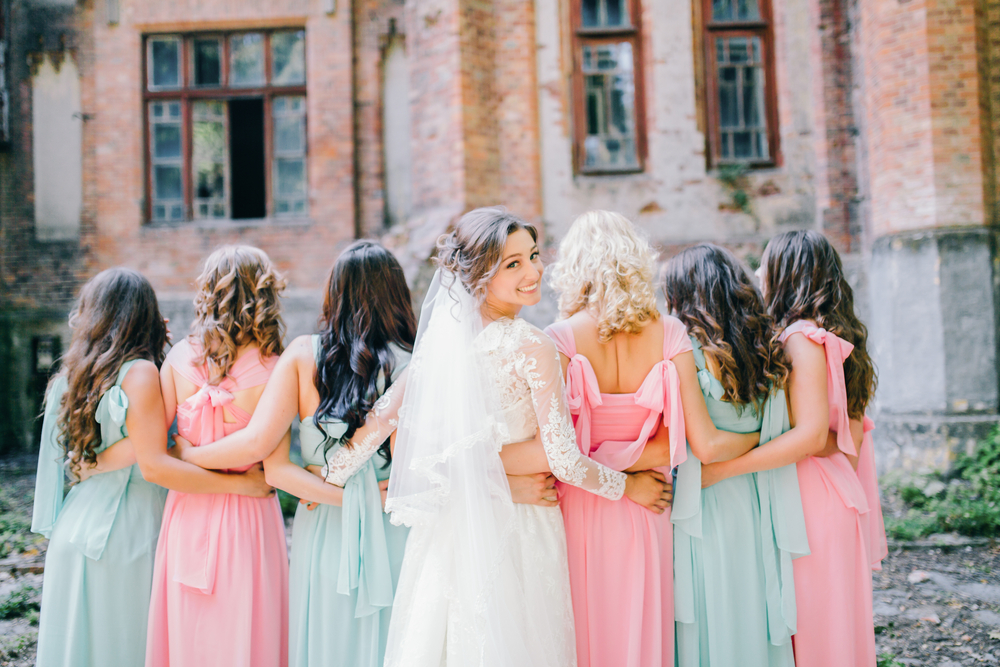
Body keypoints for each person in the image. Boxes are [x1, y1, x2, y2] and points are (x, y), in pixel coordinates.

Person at [318, 206, 668, 667]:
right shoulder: (533, 346)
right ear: (480, 274)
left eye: (534, 255)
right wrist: (631, 486)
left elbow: (382, 422)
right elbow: (562, 459)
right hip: (518, 528)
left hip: (452, 528)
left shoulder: (439, 350)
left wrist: (329, 474)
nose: (534, 271)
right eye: (513, 263)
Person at [173, 240, 416, 667]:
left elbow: (274, 466)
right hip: (396, 518)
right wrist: (375, 498)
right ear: (398, 294)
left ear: (334, 294)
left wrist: (189, 456)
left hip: (323, 521)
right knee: (398, 638)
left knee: (326, 638)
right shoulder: (417, 362)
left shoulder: (304, 355)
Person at [540, 212, 760, 667]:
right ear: (636, 261)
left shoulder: (558, 339)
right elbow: (699, 442)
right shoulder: (670, 332)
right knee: (641, 631)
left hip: (581, 502)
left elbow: (555, 449)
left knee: (585, 633)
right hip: (649, 503)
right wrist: (765, 434)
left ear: (574, 268)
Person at [701, 230, 885, 667]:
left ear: (787, 275)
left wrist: (726, 469)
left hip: (810, 501)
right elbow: (851, 438)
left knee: (815, 633)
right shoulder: (837, 337)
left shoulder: (800, 339)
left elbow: (807, 435)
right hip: (836, 491)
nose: (759, 274)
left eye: (767, 265)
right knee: (835, 632)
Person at [663, 243, 808, 667]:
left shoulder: (684, 350)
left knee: (715, 608)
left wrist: (747, 443)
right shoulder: (763, 347)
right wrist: (761, 437)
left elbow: (706, 447)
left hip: (707, 498)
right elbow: (777, 429)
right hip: (755, 495)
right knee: (750, 602)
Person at [144, 246, 289, 667]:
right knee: (246, 629)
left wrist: (189, 454)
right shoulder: (276, 369)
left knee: (189, 631)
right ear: (264, 296)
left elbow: (162, 452)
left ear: (208, 293)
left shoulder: (176, 360)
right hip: (249, 517)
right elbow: (270, 465)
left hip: (187, 511)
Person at [31, 268, 172, 667]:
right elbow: (150, 451)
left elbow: (76, 461)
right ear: (145, 314)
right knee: (123, 646)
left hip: (74, 527)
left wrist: (91, 465)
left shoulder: (69, 376)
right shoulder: (142, 374)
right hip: (126, 530)